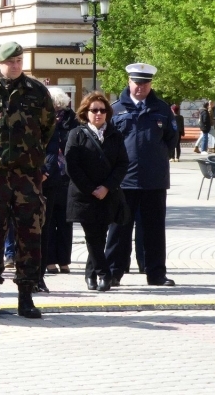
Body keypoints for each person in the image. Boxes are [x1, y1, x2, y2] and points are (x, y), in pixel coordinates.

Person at [0, 41, 55, 320]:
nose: (15, 66)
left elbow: (47, 127)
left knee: (30, 236)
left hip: (27, 176)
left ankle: (26, 297)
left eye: (19, 61)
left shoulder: (37, 92)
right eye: (10, 62)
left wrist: (31, 155)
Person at [105, 63, 177, 287]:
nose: (140, 87)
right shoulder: (115, 109)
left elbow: (171, 140)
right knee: (119, 229)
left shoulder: (162, 109)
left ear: (150, 84)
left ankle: (156, 274)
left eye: (145, 83)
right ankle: (113, 272)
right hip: (123, 181)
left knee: (154, 231)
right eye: (137, 83)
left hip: (154, 181)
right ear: (129, 82)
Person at [64, 92, 129, 292]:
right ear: (86, 113)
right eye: (94, 110)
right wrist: (91, 189)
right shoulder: (76, 134)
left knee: (100, 235)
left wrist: (106, 187)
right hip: (84, 196)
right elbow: (72, 166)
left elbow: (122, 163)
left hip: (107, 194)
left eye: (102, 110)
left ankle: (90, 274)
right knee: (92, 235)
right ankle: (104, 273)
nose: (98, 114)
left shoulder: (115, 134)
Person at [38, 87, 79, 292]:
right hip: (49, 177)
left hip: (67, 178)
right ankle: (49, 261)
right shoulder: (44, 120)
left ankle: (64, 260)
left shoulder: (72, 121)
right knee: (49, 220)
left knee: (65, 221)